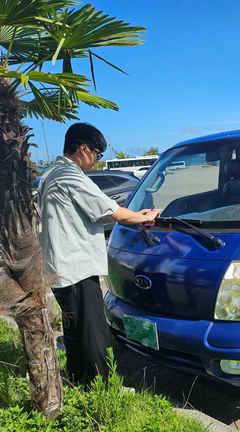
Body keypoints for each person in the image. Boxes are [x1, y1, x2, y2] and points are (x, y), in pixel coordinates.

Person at [38, 122, 161, 383]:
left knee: (75, 330)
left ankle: (79, 380)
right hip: (76, 267)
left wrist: (136, 215)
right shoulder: (70, 176)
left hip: (59, 267)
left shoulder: (51, 173)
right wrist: (144, 216)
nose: (96, 161)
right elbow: (113, 212)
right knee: (93, 332)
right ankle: (103, 388)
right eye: (96, 153)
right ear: (83, 148)